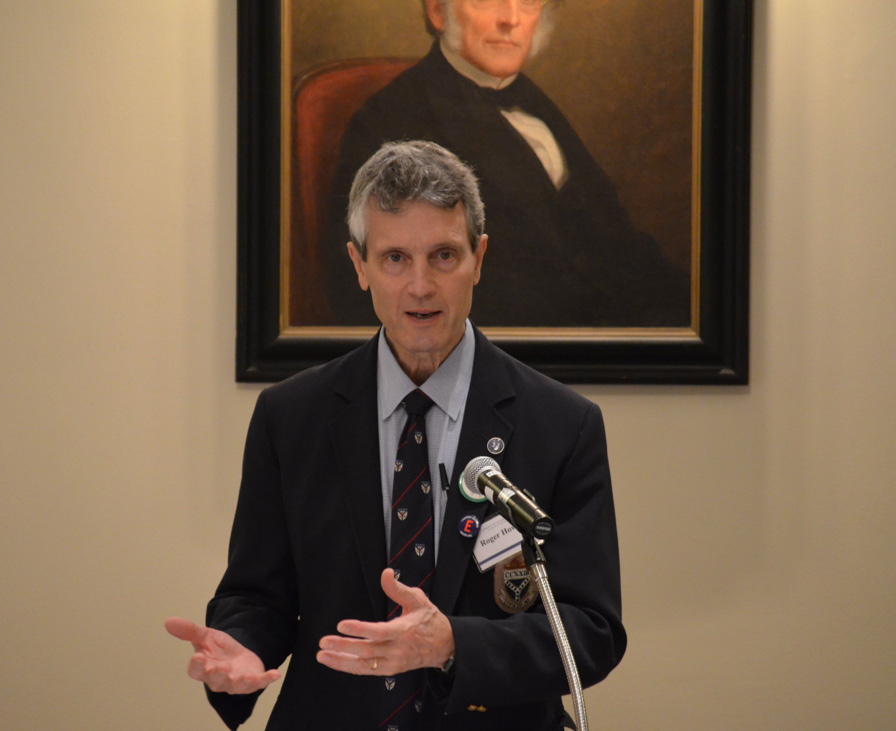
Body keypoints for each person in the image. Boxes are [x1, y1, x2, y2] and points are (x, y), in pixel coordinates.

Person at [167, 141, 625, 730]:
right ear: (359, 265)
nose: (420, 287)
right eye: (395, 259)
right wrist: (243, 646)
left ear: (478, 259)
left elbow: (591, 630)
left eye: (443, 256)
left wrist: (451, 643)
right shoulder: (291, 417)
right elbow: (257, 594)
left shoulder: (562, 425)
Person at [320, 0, 690, 328]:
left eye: (528, 2)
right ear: (438, 11)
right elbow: (366, 287)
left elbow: (617, 243)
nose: (510, 19)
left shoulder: (536, 103)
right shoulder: (391, 118)